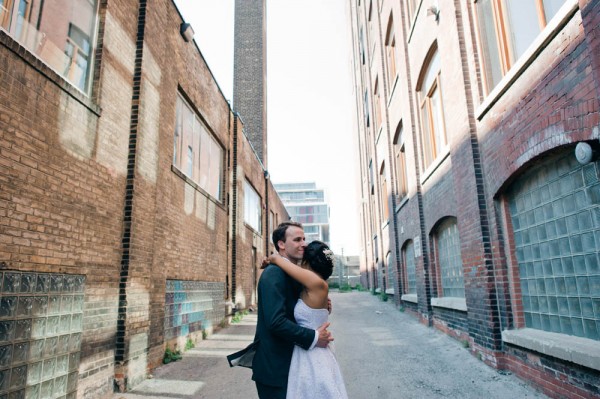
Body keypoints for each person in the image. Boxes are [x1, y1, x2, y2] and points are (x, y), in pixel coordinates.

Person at [251, 221, 334, 399]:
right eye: (297, 239)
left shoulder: (293, 272)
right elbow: (276, 322)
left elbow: (298, 304)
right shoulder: (274, 273)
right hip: (276, 369)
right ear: (281, 244)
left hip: (295, 364)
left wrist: (318, 304)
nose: (303, 243)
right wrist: (314, 337)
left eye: (304, 239)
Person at [267, 240, 348, 399]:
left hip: (313, 354)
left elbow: (278, 260)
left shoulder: (317, 283)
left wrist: (272, 259)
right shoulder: (313, 286)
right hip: (307, 349)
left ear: (306, 262)